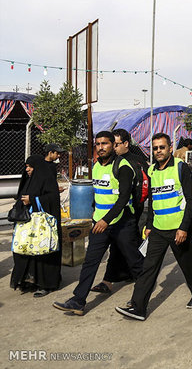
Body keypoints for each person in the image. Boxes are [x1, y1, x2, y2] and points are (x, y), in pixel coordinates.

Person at [115, 133, 192, 320]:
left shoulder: (181, 168)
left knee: (187, 265)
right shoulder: (152, 171)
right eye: (155, 148)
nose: (158, 151)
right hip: (157, 229)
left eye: (162, 147)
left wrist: (183, 228)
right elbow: (152, 199)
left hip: (178, 229)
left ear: (170, 148)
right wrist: (148, 225)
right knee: (148, 267)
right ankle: (138, 307)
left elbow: (191, 200)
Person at [53, 131, 144, 316]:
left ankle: (141, 300)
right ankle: (78, 301)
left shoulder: (123, 167)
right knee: (90, 262)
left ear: (113, 145)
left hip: (122, 222)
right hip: (100, 223)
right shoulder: (95, 166)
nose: (101, 147)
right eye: (98, 144)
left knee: (135, 262)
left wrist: (105, 220)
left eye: (105, 144)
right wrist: (96, 216)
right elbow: (97, 195)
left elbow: (123, 199)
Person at [90, 128, 149, 295]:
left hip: (130, 211)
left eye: (116, 144)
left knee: (128, 248)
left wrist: (136, 209)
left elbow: (142, 188)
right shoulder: (108, 162)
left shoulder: (133, 162)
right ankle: (108, 281)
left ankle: (142, 283)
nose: (112, 148)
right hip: (114, 213)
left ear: (126, 144)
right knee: (117, 246)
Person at [10, 155, 62, 297]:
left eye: (30, 167)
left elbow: (53, 198)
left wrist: (33, 200)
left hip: (42, 226)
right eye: (26, 166)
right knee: (24, 250)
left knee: (43, 253)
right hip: (27, 226)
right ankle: (28, 279)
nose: (27, 169)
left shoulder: (47, 179)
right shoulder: (28, 180)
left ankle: (46, 284)